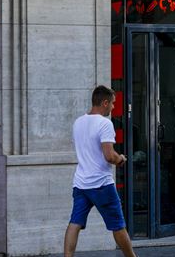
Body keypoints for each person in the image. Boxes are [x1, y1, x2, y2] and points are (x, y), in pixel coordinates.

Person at [63, 85, 136, 257]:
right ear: (104, 102)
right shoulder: (105, 123)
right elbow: (109, 156)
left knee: (75, 223)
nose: (113, 108)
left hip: (81, 183)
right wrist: (121, 159)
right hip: (101, 184)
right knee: (118, 224)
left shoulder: (78, 122)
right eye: (112, 104)